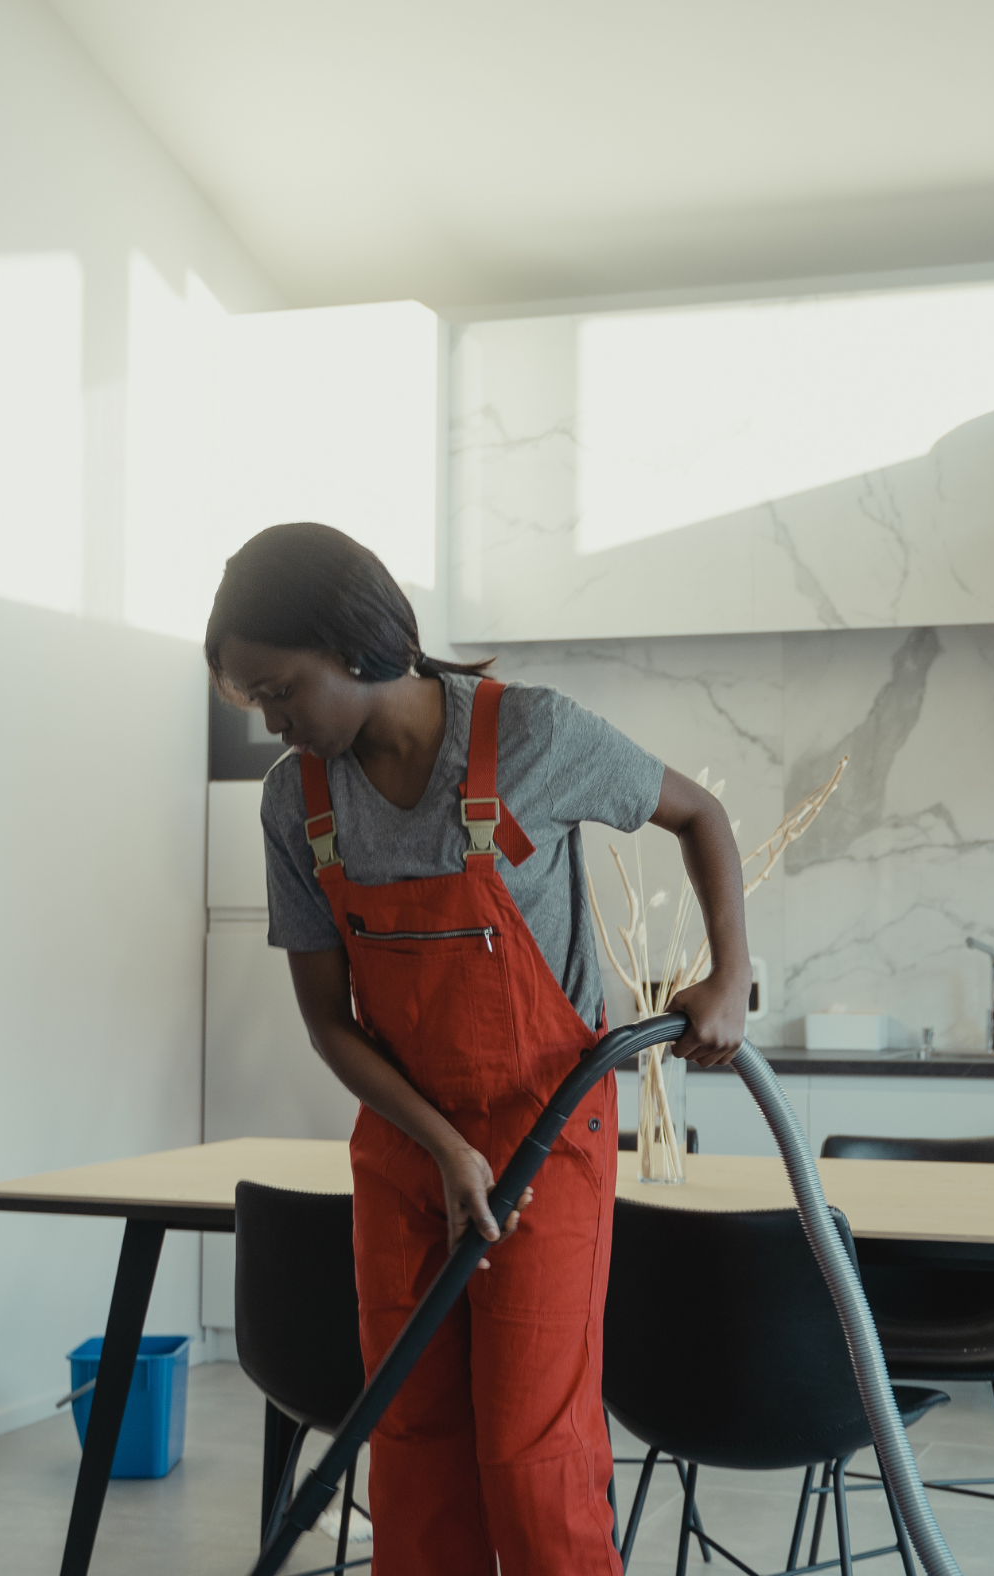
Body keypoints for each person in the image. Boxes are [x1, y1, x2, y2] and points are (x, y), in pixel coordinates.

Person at [205, 522, 751, 1575]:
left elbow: (699, 814)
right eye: (253, 703)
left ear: (356, 645)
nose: (272, 723)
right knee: (407, 1442)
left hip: (548, 1130)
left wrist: (726, 975)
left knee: (529, 1451)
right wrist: (443, 1148)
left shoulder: (532, 738)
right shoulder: (296, 803)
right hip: (407, 1144)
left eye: (279, 691)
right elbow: (330, 1019)